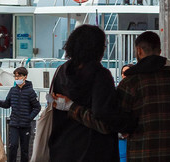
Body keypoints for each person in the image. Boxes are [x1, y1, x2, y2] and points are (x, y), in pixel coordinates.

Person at [71, 30, 170, 162]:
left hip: (143, 155)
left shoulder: (130, 83)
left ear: (139, 51)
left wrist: (73, 108)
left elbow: (109, 123)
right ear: (159, 51)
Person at [46, 24, 117, 162]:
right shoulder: (101, 76)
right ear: (97, 50)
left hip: (61, 149)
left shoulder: (61, 72)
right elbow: (104, 121)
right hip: (95, 152)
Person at [0, 67, 40, 162]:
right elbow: (7, 104)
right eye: (15, 76)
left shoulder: (30, 92)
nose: (17, 78)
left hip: (25, 125)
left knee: (24, 149)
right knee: (13, 146)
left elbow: (37, 107)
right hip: (14, 123)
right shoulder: (13, 90)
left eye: (19, 76)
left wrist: (29, 118)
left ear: (25, 77)